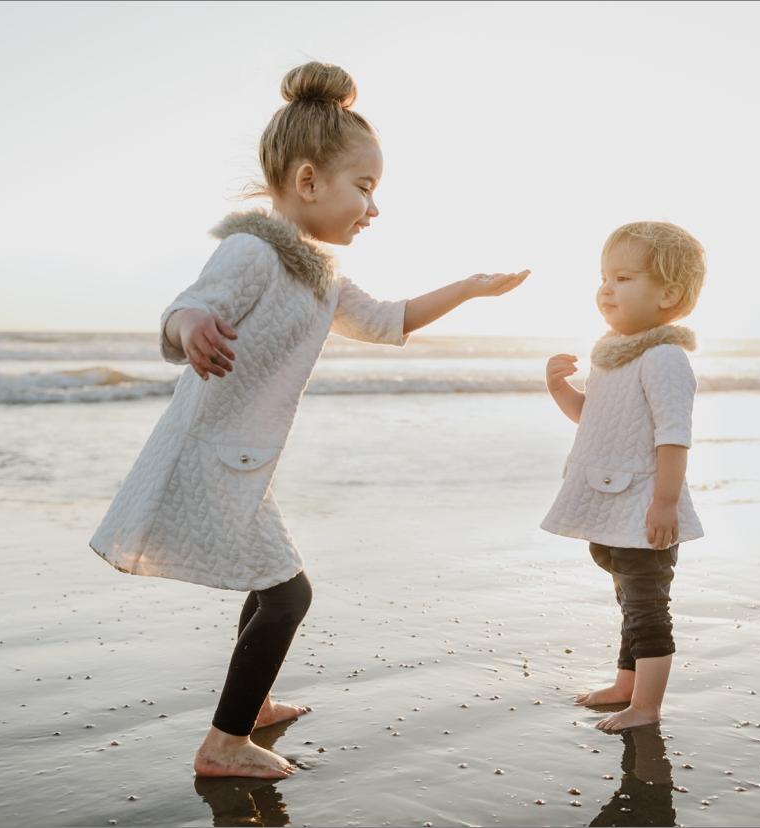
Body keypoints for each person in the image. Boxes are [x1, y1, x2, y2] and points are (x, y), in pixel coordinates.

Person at [90, 61, 528, 778]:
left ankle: (251, 706)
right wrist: (192, 324)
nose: (373, 209)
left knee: (273, 588)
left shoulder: (319, 275)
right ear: (306, 182)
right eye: (365, 188)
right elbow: (181, 310)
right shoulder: (253, 250)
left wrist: (470, 289)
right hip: (209, 455)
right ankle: (223, 746)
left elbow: (388, 321)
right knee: (290, 595)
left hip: (242, 460)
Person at [539, 219, 705, 731]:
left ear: (668, 293)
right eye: (604, 276)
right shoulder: (612, 353)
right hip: (614, 503)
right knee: (629, 601)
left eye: (624, 277)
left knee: (647, 607)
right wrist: (559, 390)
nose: (606, 288)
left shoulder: (663, 358)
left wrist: (664, 503)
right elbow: (599, 418)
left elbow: (672, 436)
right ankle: (626, 684)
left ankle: (646, 707)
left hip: (643, 506)